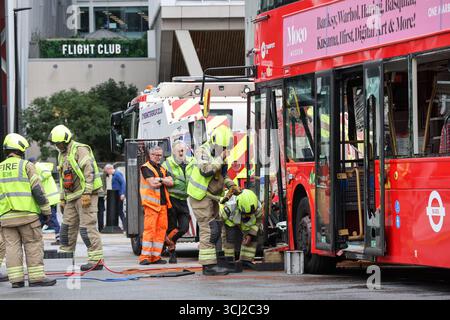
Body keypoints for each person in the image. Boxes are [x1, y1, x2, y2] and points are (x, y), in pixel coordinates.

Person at [0, 133, 56, 288]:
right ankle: (36, 278)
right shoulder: (26, 166)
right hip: (27, 216)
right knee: (33, 244)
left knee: (12, 248)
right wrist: (46, 211)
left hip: (6, 217)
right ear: (20, 149)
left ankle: (16, 280)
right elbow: (37, 190)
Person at [187, 125, 242, 276]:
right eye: (220, 147)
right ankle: (208, 266)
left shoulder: (220, 155)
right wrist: (221, 157)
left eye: (225, 147)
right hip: (200, 197)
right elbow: (205, 171)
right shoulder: (202, 151)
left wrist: (232, 186)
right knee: (209, 229)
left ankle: (217, 261)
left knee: (217, 228)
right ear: (214, 142)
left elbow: (223, 176)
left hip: (211, 197)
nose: (223, 149)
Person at [48, 125, 104, 271]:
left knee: (87, 228)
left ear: (67, 140)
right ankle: (65, 257)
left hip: (86, 194)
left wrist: (87, 192)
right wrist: (62, 198)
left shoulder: (80, 149)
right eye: (56, 144)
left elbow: (89, 171)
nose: (58, 146)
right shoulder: (61, 154)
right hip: (71, 196)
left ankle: (96, 260)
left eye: (60, 143)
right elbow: (62, 178)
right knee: (66, 228)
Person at [139, 145, 174, 265]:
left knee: (160, 232)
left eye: (160, 155)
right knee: (149, 231)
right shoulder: (145, 167)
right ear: (150, 155)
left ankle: (156, 257)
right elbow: (153, 183)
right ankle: (145, 257)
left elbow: (171, 182)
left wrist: (160, 179)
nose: (159, 157)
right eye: (156, 155)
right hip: (151, 205)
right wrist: (163, 180)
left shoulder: (162, 168)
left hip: (163, 205)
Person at [162, 141, 194, 264]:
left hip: (183, 199)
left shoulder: (192, 162)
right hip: (172, 199)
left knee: (184, 227)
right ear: (174, 151)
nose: (181, 152)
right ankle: (172, 254)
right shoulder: (167, 164)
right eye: (179, 150)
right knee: (171, 227)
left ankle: (167, 240)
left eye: (183, 150)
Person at [219, 189, 262, 270]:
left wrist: (250, 234)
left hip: (247, 224)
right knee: (230, 237)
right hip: (230, 221)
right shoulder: (228, 205)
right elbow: (218, 221)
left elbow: (258, 220)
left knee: (255, 234)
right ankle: (229, 262)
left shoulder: (257, 206)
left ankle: (246, 261)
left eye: (250, 214)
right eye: (246, 214)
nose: (248, 216)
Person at [30, 159, 61, 246]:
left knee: (51, 219)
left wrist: (37, 180)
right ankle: (36, 238)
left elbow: (47, 173)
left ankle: (60, 238)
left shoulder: (38, 166)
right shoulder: (38, 166)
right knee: (42, 219)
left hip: (49, 198)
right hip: (48, 198)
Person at [104, 164, 126, 229]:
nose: (107, 173)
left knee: (120, 210)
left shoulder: (117, 174)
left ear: (109, 169)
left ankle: (125, 225)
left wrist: (122, 193)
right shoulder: (115, 174)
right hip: (117, 195)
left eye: (106, 171)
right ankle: (125, 225)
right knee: (119, 210)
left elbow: (123, 183)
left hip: (119, 195)